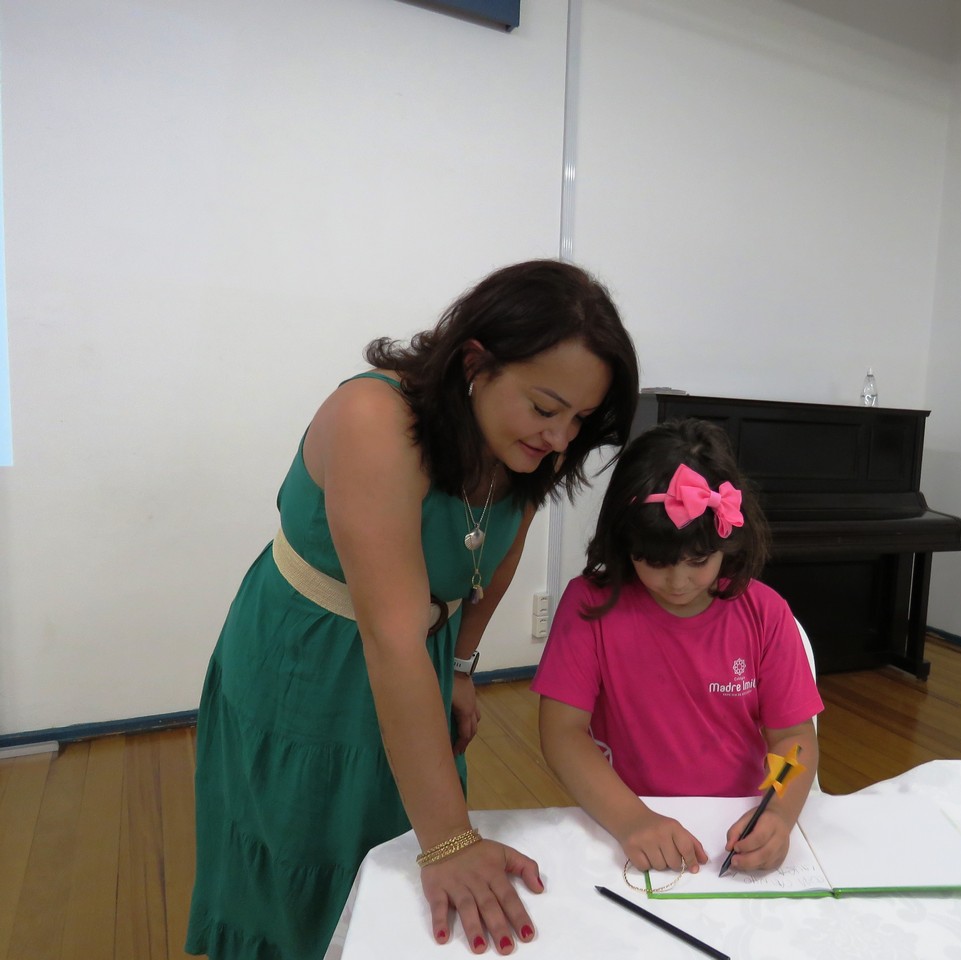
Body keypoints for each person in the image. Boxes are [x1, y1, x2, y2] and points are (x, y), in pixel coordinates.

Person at [185, 260, 639, 960]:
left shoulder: (535, 447)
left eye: (579, 420)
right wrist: (452, 841)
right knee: (305, 848)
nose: (559, 438)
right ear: (475, 363)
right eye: (546, 409)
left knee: (396, 844)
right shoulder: (375, 418)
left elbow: (498, 552)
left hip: (419, 650)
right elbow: (392, 636)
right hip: (308, 658)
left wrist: (460, 664)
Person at [532, 418, 823, 879]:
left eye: (698, 561)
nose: (678, 581)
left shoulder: (765, 614)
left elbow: (794, 741)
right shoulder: (590, 606)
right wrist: (632, 819)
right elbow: (562, 734)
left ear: (728, 541)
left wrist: (778, 812)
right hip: (626, 817)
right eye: (655, 562)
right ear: (625, 541)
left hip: (734, 827)